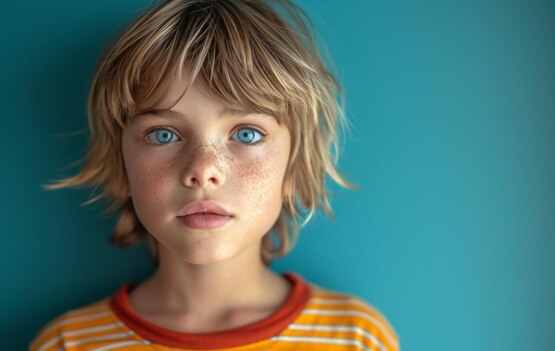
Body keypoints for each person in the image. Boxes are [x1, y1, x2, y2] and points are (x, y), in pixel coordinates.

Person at [29, 0, 400, 350]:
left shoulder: (355, 338)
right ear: (121, 164)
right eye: (164, 134)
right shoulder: (69, 343)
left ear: (293, 167)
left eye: (246, 134)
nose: (203, 170)